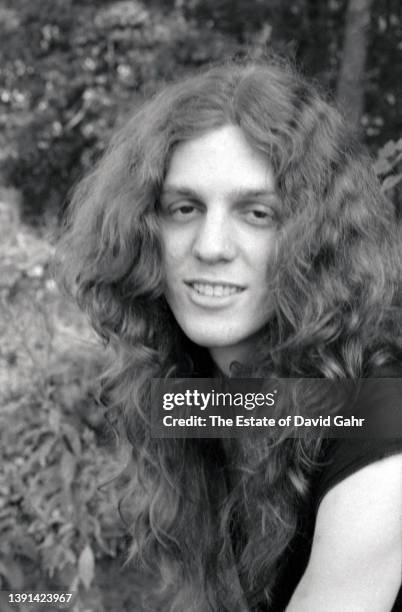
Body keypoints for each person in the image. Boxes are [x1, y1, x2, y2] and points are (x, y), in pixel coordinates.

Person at [57, 57, 402, 611]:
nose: (211, 246)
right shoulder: (209, 398)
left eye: (258, 213)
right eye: (184, 207)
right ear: (146, 230)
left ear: (317, 241)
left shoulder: (383, 430)